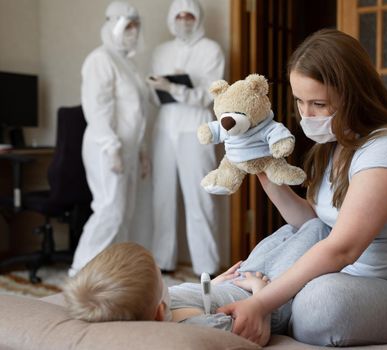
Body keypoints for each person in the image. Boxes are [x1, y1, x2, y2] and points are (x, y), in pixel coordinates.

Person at [217, 28, 387, 347]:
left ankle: (257, 303)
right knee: (299, 238)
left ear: (354, 94)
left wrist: (263, 302)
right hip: (353, 278)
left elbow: (343, 247)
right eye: (300, 101)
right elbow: (313, 222)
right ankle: (225, 296)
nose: (306, 114)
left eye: (318, 103)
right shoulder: (337, 144)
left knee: (320, 303)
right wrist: (261, 169)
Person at [64, 218, 329, 346]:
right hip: (272, 297)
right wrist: (261, 290)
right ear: (158, 313)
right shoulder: (198, 329)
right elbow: (254, 335)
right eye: (162, 283)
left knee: (289, 230)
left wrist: (215, 284)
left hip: (239, 280)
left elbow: (193, 294)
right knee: (315, 228)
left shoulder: (162, 303)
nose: (167, 286)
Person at [69, 1, 151, 277]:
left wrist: (142, 152)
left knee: (125, 214)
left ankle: (111, 275)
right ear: (113, 26)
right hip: (106, 148)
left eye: (136, 26)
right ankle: (79, 273)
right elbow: (97, 107)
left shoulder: (129, 64)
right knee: (109, 211)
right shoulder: (100, 59)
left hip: (128, 149)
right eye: (127, 26)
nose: (133, 31)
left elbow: (137, 113)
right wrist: (111, 146)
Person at [146, 0, 225, 276]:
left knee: (200, 198)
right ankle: (163, 262)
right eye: (178, 15)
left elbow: (209, 95)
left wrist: (176, 88)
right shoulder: (160, 51)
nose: (183, 20)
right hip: (166, 126)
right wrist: (162, 88)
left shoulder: (211, 50)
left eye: (188, 15)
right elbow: (154, 96)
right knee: (162, 198)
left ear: (198, 18)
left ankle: (208, 268)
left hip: (196, 126)